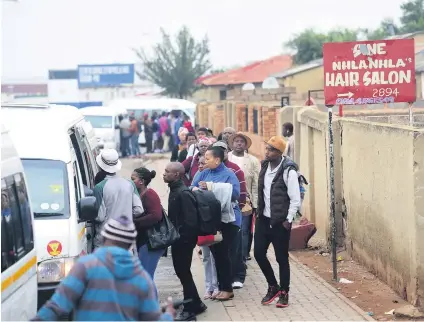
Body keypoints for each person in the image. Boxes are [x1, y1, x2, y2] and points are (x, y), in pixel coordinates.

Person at [32, 216, 175, 321]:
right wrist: (168, 315)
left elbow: (57, 306)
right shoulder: (142, 279)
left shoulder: (86, 266)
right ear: (130, 245)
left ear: (104, 237)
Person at [254, 136, 301, 308]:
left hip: (280, 222)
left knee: (282, 258)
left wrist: (288, 220)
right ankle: (273, 286)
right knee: (259, 254)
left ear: (279, 153)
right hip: (263, 219)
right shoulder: (264, 166)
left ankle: (284, 293)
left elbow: (295, 199)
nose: (267, 152)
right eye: (267, 148)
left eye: (271, 149)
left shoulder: (289, 171)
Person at [191, 146, 241, 301]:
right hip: (211, 220)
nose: (204, 161)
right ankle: (220, 287)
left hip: (228, 220)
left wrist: (212, 187)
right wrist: (196, 189)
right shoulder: (203, 173)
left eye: (208, 158)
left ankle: (228, 289)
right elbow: (191, 188)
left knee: (224, 254)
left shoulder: (228, 175)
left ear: (218, 160)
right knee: (216, 255)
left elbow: (235, 194)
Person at [163, 162, 207, 321]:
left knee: (184, 272)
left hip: (184, 241)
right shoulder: (175, 190)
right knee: (182, 272)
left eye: (167, 172)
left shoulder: (183, 193)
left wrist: (182, 239)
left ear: (176, 175)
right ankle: (196, 303)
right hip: (178, 240)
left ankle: (190, 309)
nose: (164, 174)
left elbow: (191, 221)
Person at [212, 141, 247, 289]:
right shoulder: (208, 171)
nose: (221, 153)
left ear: (227, 152)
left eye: (223, 150)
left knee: (235, 248)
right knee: (220, 249)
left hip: (233, 215)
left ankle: (238, 276)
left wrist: (236, 209)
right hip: (215, 217)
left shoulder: (234, 170)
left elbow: (241, 193)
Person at [92, 149, 143, 250]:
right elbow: (139, 210)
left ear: (100, 166)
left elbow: (99, 217)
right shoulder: (130, 184)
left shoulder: (99, 187)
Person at [228, 132, 260, 262]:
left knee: (245, 229)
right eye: (236, 141)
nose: (239, 143)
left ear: (246, 145)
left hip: (246, 200)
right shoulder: (227, 159)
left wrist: (256, 203)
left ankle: (243, 255)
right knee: (231, 228)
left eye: (242, 141)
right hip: (229, 199)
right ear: (232, 144)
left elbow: (256, 183)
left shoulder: (252, 161)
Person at [132, 167, 164, 279]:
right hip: (144, 241)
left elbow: (156, 215)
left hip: (151, 242)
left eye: (133, 179)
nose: (131, 181)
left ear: (141, 181)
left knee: (146, 276)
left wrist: (135, 222)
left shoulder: (150, 194)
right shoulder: (139, 194)